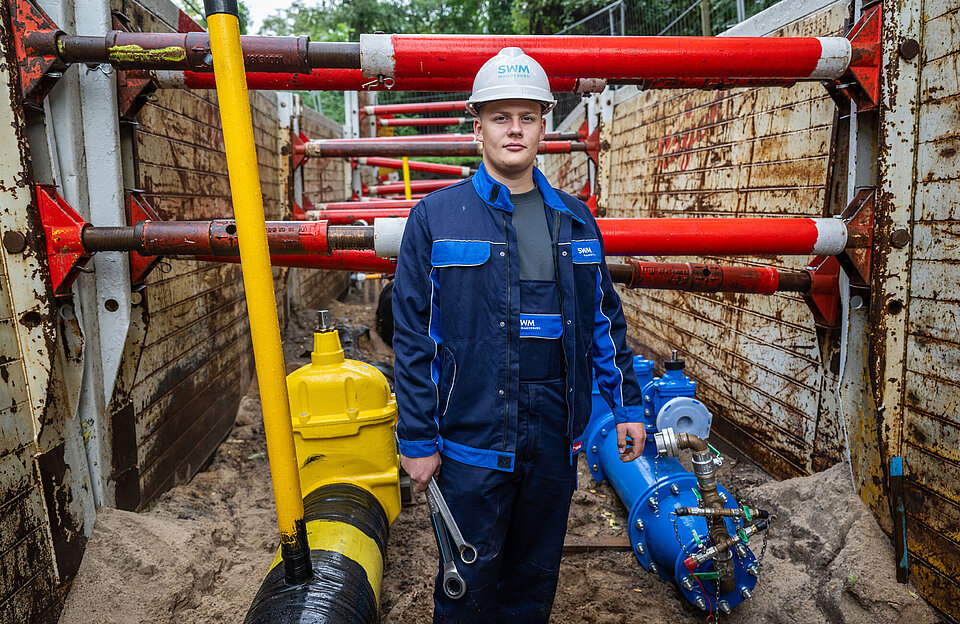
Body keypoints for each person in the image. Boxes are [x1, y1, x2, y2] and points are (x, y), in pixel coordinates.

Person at [392, 47, 646, 624]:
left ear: (543, 124)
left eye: (526, 117)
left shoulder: (575, 219)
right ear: (476, 123)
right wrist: (417, 438)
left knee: (533, 581)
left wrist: (627, 404)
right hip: (471, 434)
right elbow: (413, 337)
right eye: (500, 117)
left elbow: (604, 318)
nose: (514, 129)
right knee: (467, 582)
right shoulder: (436, 217)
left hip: (555, 433)